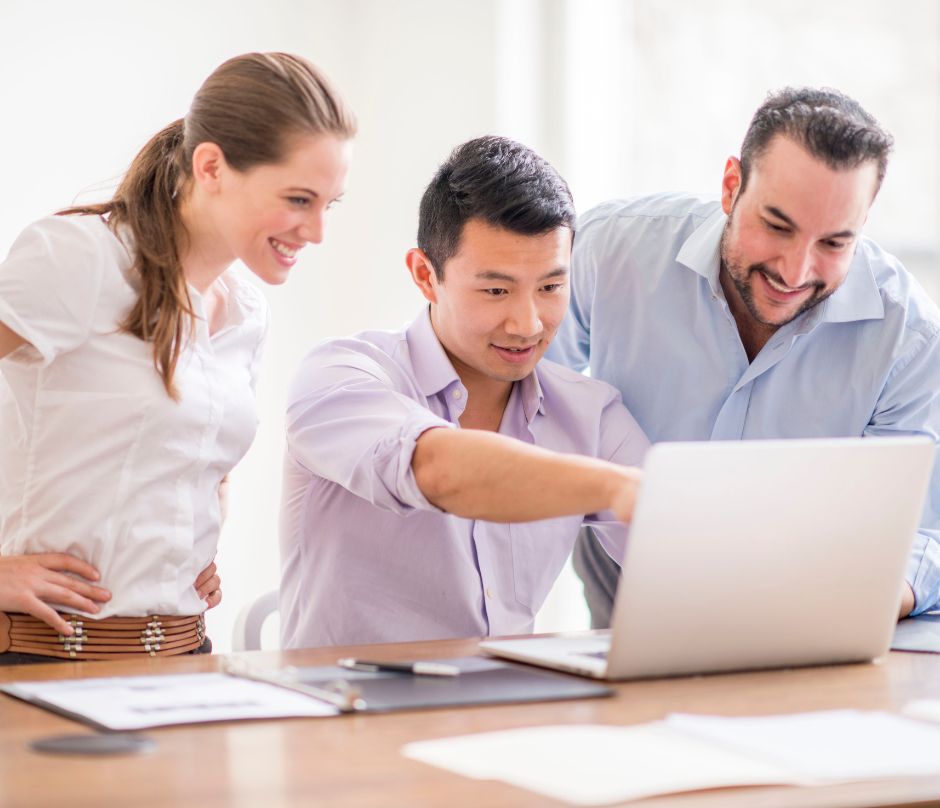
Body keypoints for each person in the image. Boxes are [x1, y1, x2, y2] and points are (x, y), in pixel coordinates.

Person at [0, 52, 356, 662]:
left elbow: (195, 460)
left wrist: (179, 554)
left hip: (186, 659)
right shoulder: (82, 258)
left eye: (331, 204)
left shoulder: (245, 310)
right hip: (46, 662)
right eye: (299, 199)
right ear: (212, 166)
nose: (317, 231)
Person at [545, 86, 940, 627]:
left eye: (833, 243)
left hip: (809, 586)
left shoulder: (909, 338)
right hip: (626, 559)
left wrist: (859, 600)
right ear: (732, 187)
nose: (795, 272)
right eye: (777, 227)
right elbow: (524, 393)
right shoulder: (610, 251)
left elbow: (923, 533)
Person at [279, 136, 648, 649]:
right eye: (495, 290)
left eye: (550, 287)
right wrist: (616, 488)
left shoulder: (592, 414)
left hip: (504, 710)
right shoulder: (340, 376)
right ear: (425, 276)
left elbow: (685, 561)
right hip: (351, 709)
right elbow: (438, 469)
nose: (528, 323)